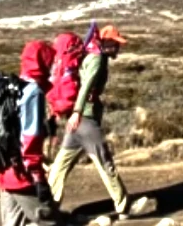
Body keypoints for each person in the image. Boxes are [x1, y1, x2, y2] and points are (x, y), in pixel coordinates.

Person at [47, 25, 150, 220]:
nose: (118, 48)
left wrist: (74, 114)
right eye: (116, 44)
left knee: (60, 165)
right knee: (105, 163)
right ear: (107, 43)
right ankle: (124, 207)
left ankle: (47, 208)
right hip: (85, 120)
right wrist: (78, 111)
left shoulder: (90, 55)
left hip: (75, 121)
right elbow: (86, 86)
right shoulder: (97, 59)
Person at [0, 41, 62, 226]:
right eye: (51, 61)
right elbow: (30, 139)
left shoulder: (14, 86)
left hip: (5, 167)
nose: (53, 66)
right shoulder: (33, 92)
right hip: (22, 173)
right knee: (49, 220)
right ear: (43, 62)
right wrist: (38, 177)